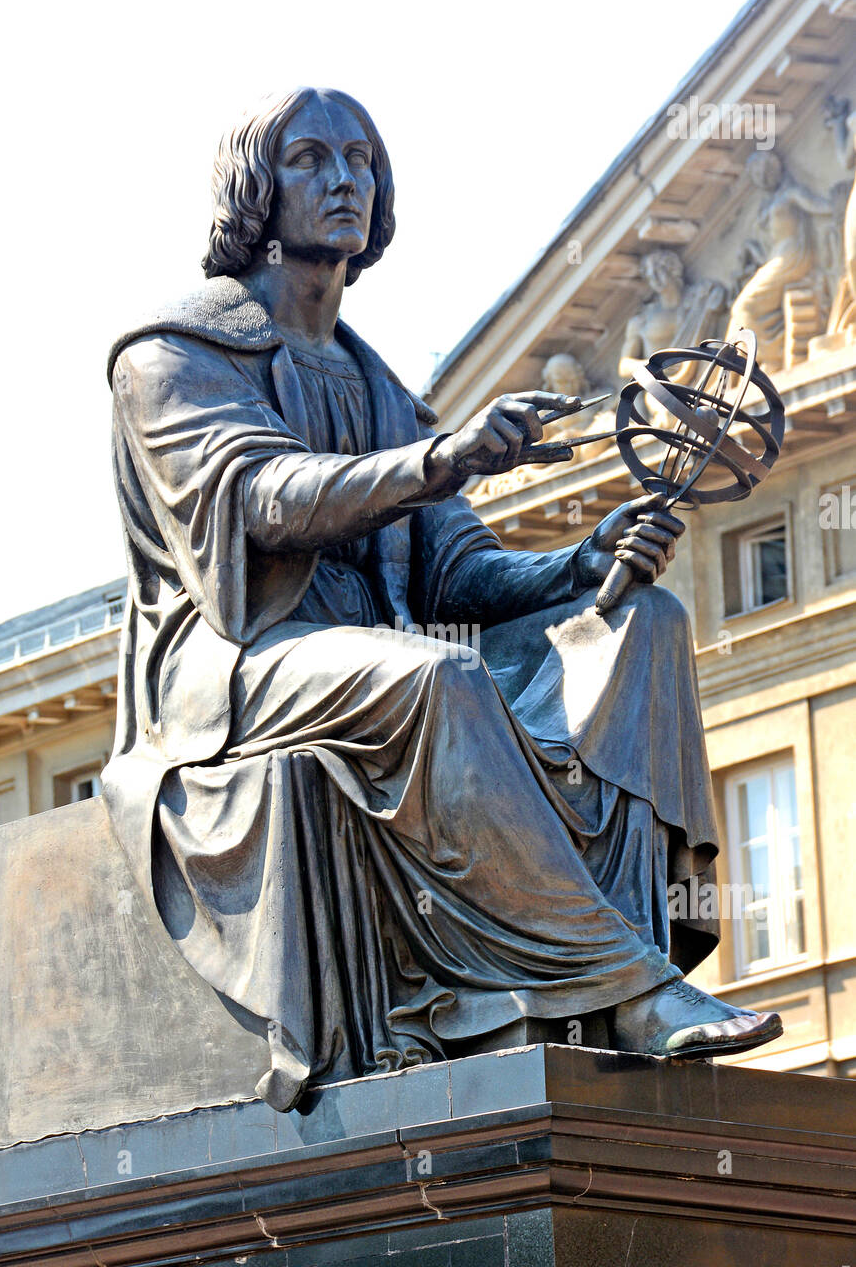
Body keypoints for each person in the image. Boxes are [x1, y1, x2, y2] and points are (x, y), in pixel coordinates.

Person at [104, 87, 782, 1111]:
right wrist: (438, 457)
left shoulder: (381, 390)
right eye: (312, 159)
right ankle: (627, 985)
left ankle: (599, 992)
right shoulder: (172, 356)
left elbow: (460, 575)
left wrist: (581, 563)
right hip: (238, 665)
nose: (346, 181)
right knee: (435, 675)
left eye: (363, 161)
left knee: (642, 624)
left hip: (373, 659)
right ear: (253, 187)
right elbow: (263, 500)